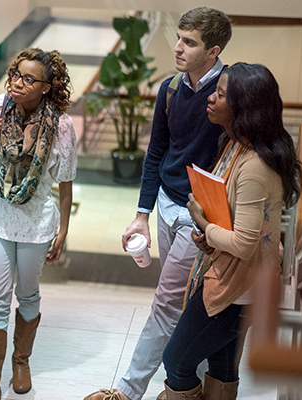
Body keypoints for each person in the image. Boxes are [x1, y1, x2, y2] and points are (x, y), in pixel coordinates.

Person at [85, 7, 233, 400]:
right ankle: (191, 382)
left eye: (190, 42)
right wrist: (141, 215)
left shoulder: (232, 94)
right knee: (185, 301)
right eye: (179, 38)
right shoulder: (171, 89)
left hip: (201, 217)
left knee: (167, 303)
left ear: (213, 50)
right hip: (167, 205)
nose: (178, 47)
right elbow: (156, 153)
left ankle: (128, 391)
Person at [159, 62, 302, 400]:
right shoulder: (237, 144)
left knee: (176, 361)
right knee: (222, 365)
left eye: (220, 95)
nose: (211, 98)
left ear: (243, 108)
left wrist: (205, 225)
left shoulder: (254, 166)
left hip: (238, 288)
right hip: (238, 277)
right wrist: (208, 238)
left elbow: (244, 242)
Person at [0, 48, 76, 400]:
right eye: (16, 76)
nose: (18, 84)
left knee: (27, 293)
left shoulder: (61, 126)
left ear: (47, 87)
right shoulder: (0, 106)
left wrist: (63, 230)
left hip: (37, 223)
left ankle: (21, 362)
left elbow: (65, 183)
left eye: (29, 79)